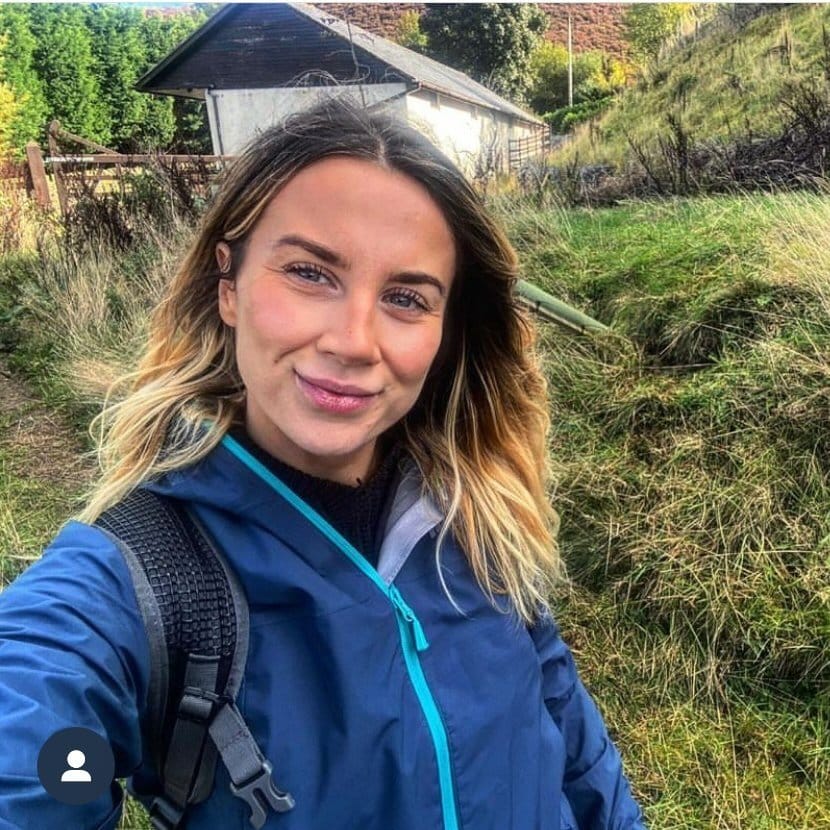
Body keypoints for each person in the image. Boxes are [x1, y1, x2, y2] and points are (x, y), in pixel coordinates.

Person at [0, 98, 646, 829]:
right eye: (310, 273)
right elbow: (30, 739)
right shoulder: (133, 585)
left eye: (406, 297)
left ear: (446, 330)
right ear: (229, 285)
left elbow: (574, 750)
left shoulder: (474, 511)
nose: (354, 340)